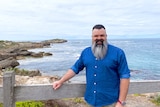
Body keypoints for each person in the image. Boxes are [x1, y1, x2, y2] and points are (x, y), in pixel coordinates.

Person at [53, 24, 130, 107]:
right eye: (96, 36)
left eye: (102, 35)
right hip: (90, 102)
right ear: (92, 37)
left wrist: (121, 102)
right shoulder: (86, 52)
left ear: (106, 36)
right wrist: (61, 81)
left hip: (111, 102)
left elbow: (125, 77)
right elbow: (75, 69)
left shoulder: (118, 53)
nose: (99, 38)